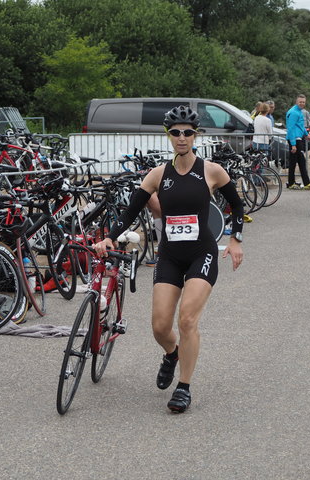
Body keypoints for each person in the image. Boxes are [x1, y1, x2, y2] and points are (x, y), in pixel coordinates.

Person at [93, 105, 244, 414]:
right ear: (169, 136)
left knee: (187, 318)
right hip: (170, 255)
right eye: (175, 133)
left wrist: (235, 240)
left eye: (188, 132)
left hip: (202, 253)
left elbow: (237, 207)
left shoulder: (212, 171)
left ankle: (184, 387)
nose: (182, 138)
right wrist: (110, 236)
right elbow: (131, 211)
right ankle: (172, 353)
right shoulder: (159, 174)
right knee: (160, 327)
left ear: (196, 135)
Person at [285, 94, 310, 190]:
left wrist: (306, 134)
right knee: (300, 161)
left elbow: (300, 126)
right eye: (300, 102)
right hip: (295, 140)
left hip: (298, 138)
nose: (302, 103)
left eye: (303, 102)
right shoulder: (294, 112)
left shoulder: (298, 111)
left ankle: (294, 182)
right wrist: (293, 144)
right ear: (296, 102)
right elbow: (291, 128)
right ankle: (302, 183)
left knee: (297, 162)